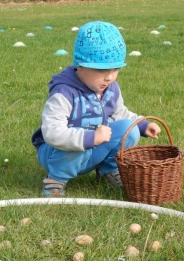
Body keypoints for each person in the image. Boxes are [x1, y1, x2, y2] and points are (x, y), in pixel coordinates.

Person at [31, 21, 161, 196]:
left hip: (93, 148)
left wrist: (142, 124)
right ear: (80, 65)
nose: (109, 77)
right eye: (101, 70)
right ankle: (56, 179)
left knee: (128, 131)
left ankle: (108, 170)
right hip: (58, 154)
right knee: (76, 144)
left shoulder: (110, 88)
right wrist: (89, 138)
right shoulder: (64, 92)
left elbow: (120, 114)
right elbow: (52, 132)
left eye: (115, 69)